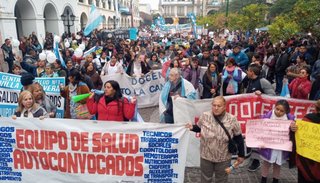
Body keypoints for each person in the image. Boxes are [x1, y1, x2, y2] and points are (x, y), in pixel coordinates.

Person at [186, 96, 245, 183]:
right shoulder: (205, 116)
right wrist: (192, 127)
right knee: (205, 179)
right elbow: (199, 128)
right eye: (214, 105)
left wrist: (241, 154)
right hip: (206, 156)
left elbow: (238, 137)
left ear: (224, 106)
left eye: (219, 106)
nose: (216, 108)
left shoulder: (232, 119)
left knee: (221, 179)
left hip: (223, 158)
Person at [260, 100, 295, 183]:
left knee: (278, 164)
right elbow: (259, 124)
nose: (278, 112)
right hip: (269, 147)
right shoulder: (268, 116)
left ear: (286, 111)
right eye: (277, 109)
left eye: (282, 111)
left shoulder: (290, 119)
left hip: (280, 148)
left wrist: (293, 128)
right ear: (274, 107)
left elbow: (294, 131)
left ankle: (276, 179)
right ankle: (263, 178)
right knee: (266, 163)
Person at [291, 99, 320, 182]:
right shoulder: (307, 120)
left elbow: (297, 137)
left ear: (315, 108)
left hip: (306, 161)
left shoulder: (308, 119)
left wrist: (293, 129)